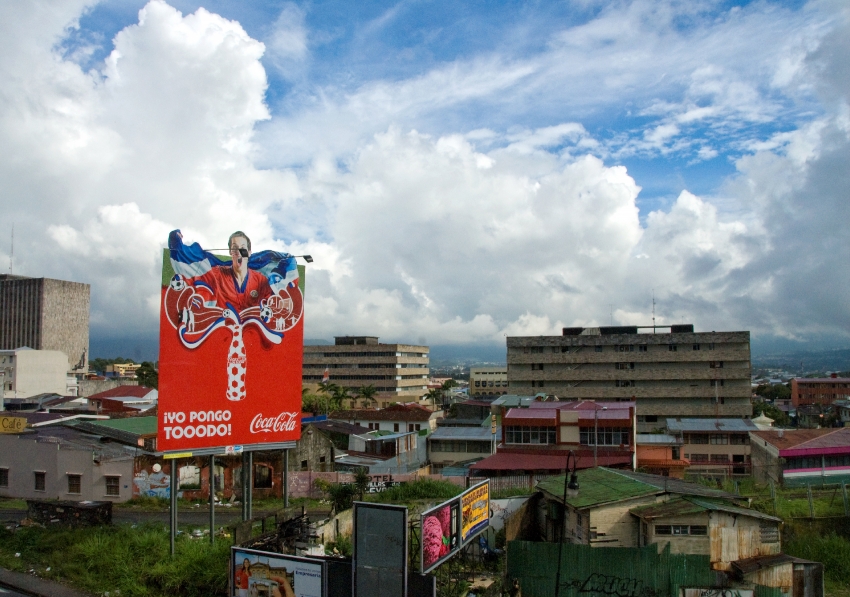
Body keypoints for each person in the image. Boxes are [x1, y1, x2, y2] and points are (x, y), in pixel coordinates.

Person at [190, 231, 273, 312]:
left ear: (249, 253)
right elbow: (194, 279)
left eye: (243, 248)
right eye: (235, 248)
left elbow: (271, 306)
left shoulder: (261, 280)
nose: (239, 252)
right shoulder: (217, 274)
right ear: (230, 252)